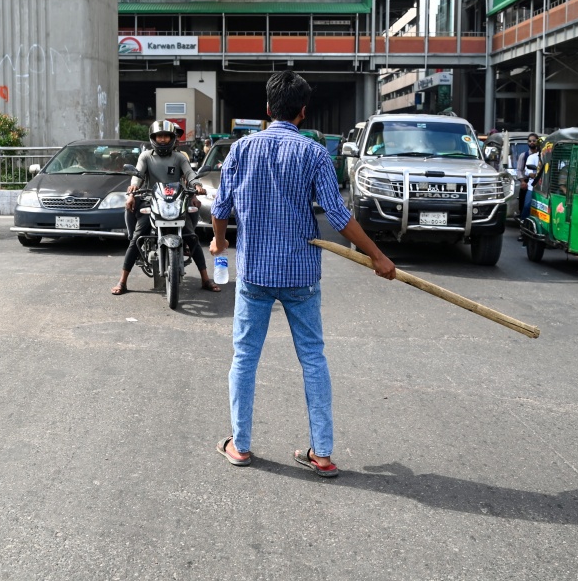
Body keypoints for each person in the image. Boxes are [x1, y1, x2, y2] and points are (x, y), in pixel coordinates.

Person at [209, 71, 396, 476]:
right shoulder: (314, 154)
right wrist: (378, 256)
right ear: (303, 111)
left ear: (267, 108)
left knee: (244, 358)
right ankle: (322, 453)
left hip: (255, 273)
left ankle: (239, 446)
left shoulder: (241, 150)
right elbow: (338, 215)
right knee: (313, 358)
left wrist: (220, 242)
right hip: (300, 275)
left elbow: (220, 208)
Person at [112, 119, 217, 295]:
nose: (162, 140)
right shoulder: (146, 156)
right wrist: (132, 191)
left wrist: (196, 185)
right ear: (153, 138)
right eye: (159, 136)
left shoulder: (179, 158)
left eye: (166, 137)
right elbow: (137, 175)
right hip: (151, 201)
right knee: (137, 236)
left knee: (191, 236)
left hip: (175, 202)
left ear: (172, 138)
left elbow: (189, 174)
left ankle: (206, 279)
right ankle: (122, 281)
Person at [515, 133, 540, 214]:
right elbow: (519, 170)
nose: (531, 142)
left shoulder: (542, 155)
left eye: (534, 141)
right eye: (529, 141)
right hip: (526, 181)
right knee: (525, 205)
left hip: (539, 182)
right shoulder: (523, 155)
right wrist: (522, 181)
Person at [519, 141, 542, 221]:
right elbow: (528, 171)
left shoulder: (550, 158)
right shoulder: (532, 157)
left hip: (546, 188)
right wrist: (533, 174)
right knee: (527, 206)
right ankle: (523, 222)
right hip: (533, 187)